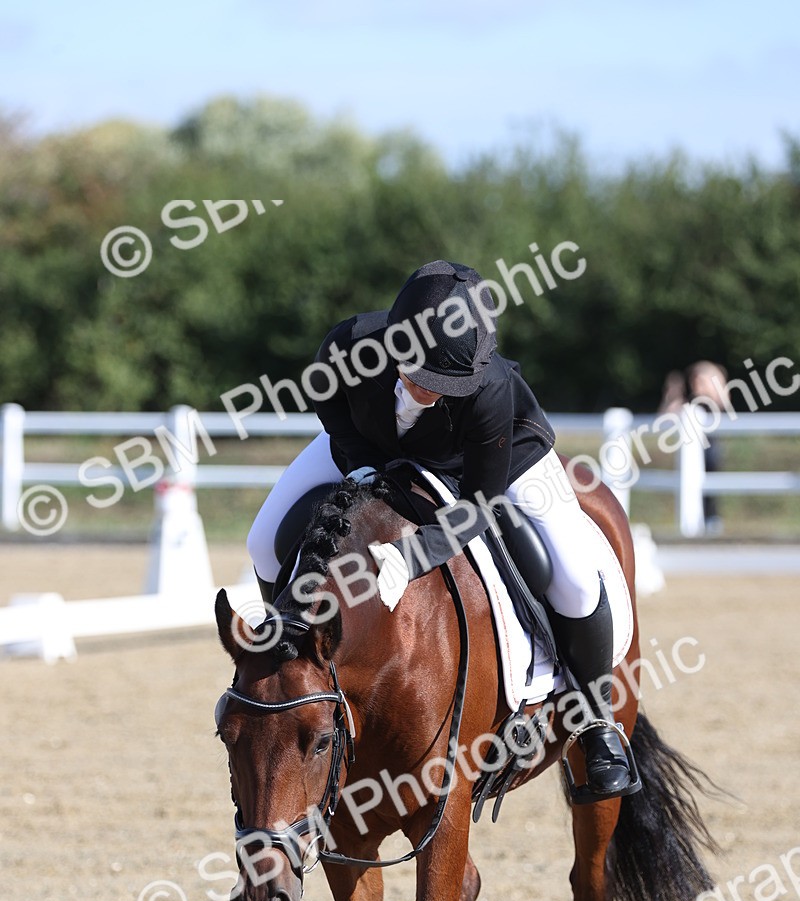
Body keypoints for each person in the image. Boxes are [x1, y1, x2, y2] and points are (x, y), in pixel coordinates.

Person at [247, 260, 631, 801]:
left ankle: (595, 721)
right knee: (263, 541)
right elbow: (332, 409)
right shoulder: (346, 349)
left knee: (573, 577)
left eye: (446, 385)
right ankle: (289, 663)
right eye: (421, 379)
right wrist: (362, 465)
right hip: (373, 444)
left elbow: (479, 504)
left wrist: (410, 556)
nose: (431, 394)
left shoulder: (489, 390)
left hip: (488, 457)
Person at [660, 361, 728, 531]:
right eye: (695, 380)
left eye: (701, 380)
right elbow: (664, 418)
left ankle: (712, 518)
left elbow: (724, 404)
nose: (696, 384)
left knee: (709, 479)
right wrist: (671, 396)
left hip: (709, 449)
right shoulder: (689, 402)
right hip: (690, 452)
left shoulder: (714, 402)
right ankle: (697, 521)